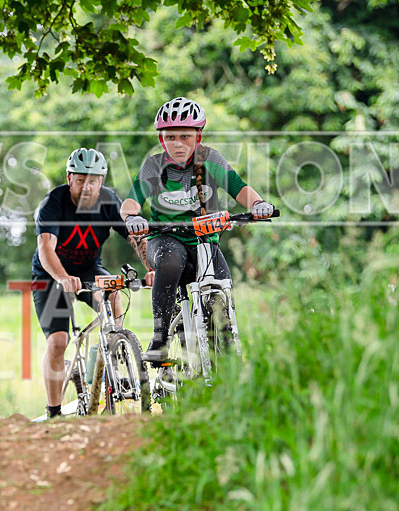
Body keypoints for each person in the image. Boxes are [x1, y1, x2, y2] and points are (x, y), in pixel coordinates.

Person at [120, 97, 274, 363]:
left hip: (205, 242)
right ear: (161, 140)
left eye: (185, 136)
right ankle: (159, 340)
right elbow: (131, 202)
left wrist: (258, 204)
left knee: (222, 292)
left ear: (198, 136)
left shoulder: (210, 159)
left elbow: (239, 189)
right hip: (165, 238)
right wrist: (132, 216)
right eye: (170, 137)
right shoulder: (153, 166)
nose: (177, 144)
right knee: (171, 262)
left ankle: (228, 364)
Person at [32, 148, 154, 419]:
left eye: (93, 180)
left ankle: (114, 355)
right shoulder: (54, 202)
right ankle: (54, 412)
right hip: (50, 274)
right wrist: (63, 277)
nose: (87, 187)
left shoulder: (110, 201)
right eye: (80, 180)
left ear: (102, 181)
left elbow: (135, 238)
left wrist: (152, 267)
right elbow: (46, 249)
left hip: (88, 268)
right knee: (58, 341)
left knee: (112, 294)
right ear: (69, 178)